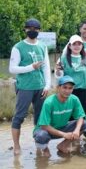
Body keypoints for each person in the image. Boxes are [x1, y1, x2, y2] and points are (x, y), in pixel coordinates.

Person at [9, 18, 51, 155]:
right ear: (25, 29)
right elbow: (12, 69)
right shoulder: (18, 47)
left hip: (40, 87)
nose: (32, 31)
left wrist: (47, 85)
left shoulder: (42, 46)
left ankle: (40, 144)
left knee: (40, 118)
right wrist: (30, 67)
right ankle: (16, 145)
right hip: (25, 87)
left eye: (35, 29)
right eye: (29, 28)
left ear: (39, 30)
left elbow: (46, 67)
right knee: (19, 116)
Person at [33, 76, 86, 156]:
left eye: (70, 88)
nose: (67, 91)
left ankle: (63, 145)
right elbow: (44, 126)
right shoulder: (49, 102)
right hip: (45, 130)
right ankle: (45, 148)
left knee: (84, 124)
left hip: (62, 127)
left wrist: (76, 130)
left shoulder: (74, 99)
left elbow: (80, 117)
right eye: (64, 87)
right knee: (42, 136)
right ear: (58, 87)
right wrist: (64, 134)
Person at [55, 35, 86, 114]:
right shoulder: (62, 59)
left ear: (82, 46)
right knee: (68, 113)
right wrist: (57, 71)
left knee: (81, 113)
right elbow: (59, 77)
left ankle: (81, 126)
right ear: (69, 46)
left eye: (79, 44)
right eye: (74, 44)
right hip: (67, 91)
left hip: (83, 91)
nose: (77, 46)